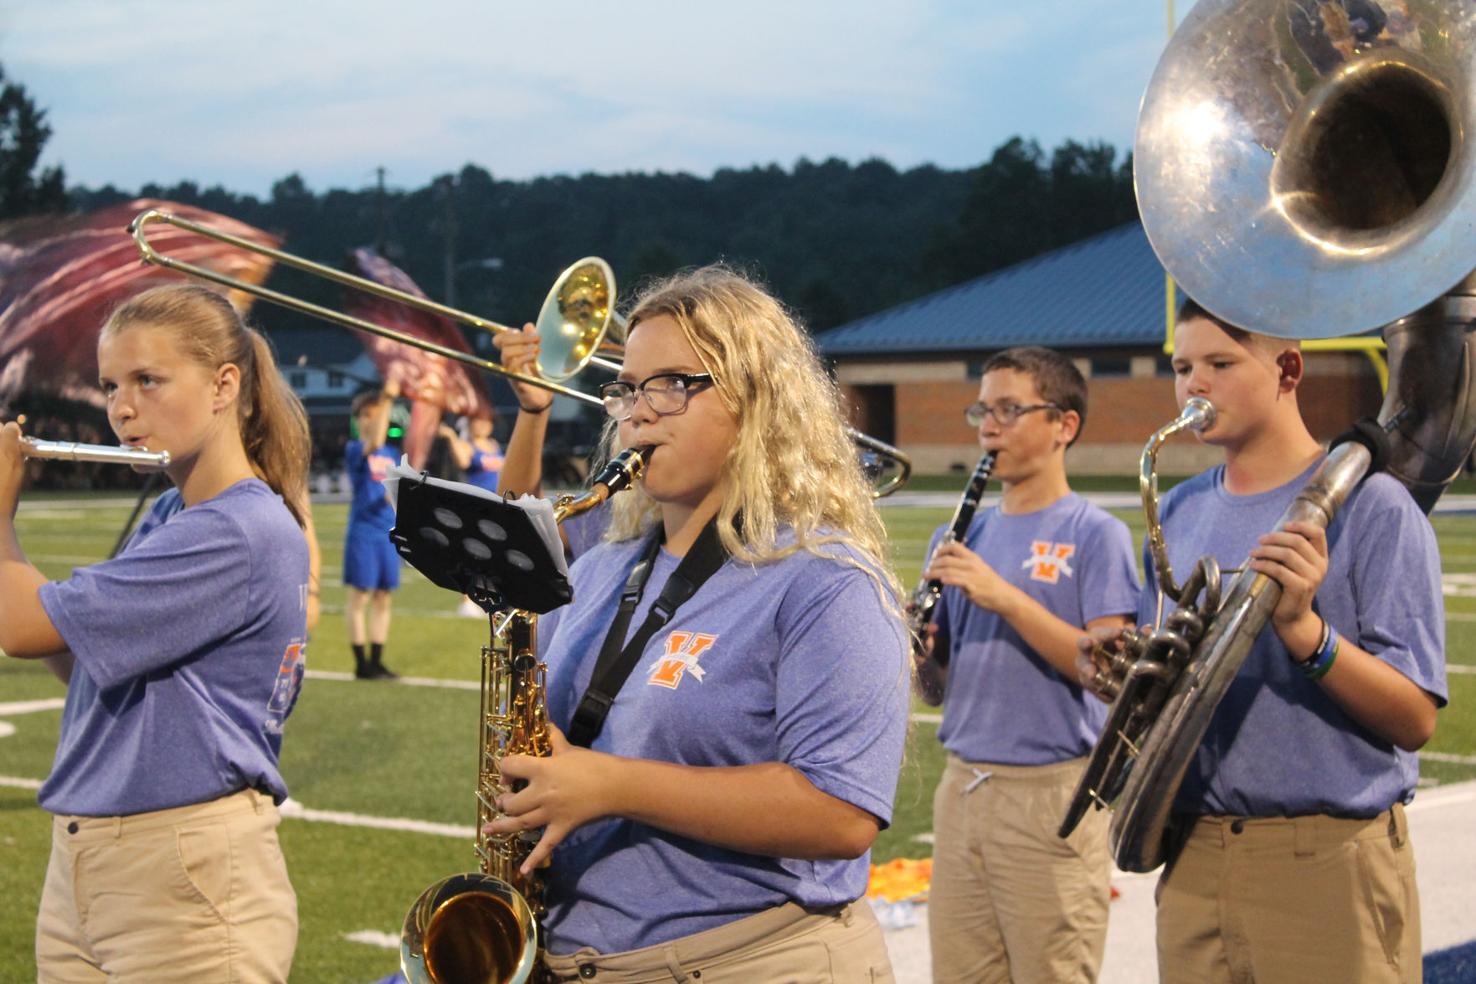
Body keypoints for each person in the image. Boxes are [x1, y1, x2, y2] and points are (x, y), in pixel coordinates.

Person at [486, 265, 911, 982]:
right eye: (627, 386)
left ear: (756, 400)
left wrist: (611, 785)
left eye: (674, 384)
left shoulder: (827, 580)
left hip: (758, 962)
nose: (637, 412)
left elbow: (841, 814)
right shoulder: (602, 562)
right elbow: (508, 546)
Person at [1081, 299, 1445, 984]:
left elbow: (1416, 718)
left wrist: (1308, 635)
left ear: (1289, 369)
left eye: (1220, 363)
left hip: (1327, 859)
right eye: (1182, 367)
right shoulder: (1182, 507)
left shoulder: (1374, 505)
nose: (1194, 385)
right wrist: (1122, 675)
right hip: (1193, 855)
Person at [0, 283, 311, 982]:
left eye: (148, 380)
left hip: (180, 873)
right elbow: (78, 661)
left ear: (224, 385)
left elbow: (19, 628)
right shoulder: (175, 510)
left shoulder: (236, 530)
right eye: (111, 385)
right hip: (95, 861)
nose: (123, 408)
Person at [915, 346, 1139, 984]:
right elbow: (935, 692)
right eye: (983, 410)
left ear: (1064, 424)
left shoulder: (1096, 534)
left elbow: (1108, 676)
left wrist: (1003, 597)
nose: (989, 426)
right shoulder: (960, 536)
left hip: (1053, 793)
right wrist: (920, 651)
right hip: (962, 787)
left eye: (1011, 410)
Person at [344, 382, 402, 678]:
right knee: (360, 598)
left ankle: (377, 660)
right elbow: (376, 437)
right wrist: (388, 396)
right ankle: (360, 662)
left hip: (387, 531)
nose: (372, 419)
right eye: (367, 415)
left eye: (375, 414)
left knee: (383, 597)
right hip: (364, 531)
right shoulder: (355, 448)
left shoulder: (392, 452)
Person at [437, 412, 506, 616]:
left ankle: (490, 596)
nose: (484, 424)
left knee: (494, 556)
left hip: (496, 506)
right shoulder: (466, 444)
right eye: (479, 420)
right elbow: (463, 462)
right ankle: (467, 601)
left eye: (487, 420)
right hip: (475, 507)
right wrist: (451, 436)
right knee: (473, 555)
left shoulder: (493, 444)